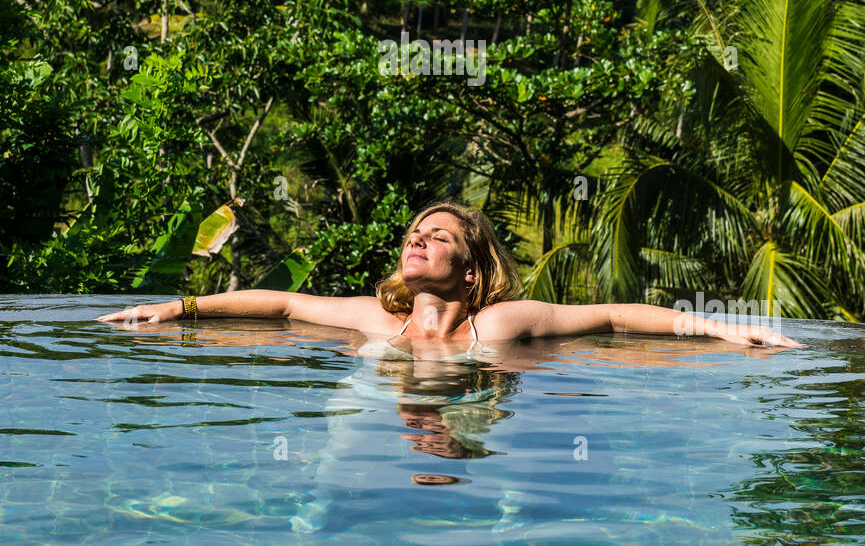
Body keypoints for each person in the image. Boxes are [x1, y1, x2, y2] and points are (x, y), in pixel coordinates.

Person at [97, 200, 802, 352]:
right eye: (413, 233)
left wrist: (713, 325)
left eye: (437, 238)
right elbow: (281, 305)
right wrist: (181, 308)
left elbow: (615, 317)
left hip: (474, 420)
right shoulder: (378, 319)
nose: (417, 241)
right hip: (383, 432)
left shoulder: (496, 323)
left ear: (470, 271)